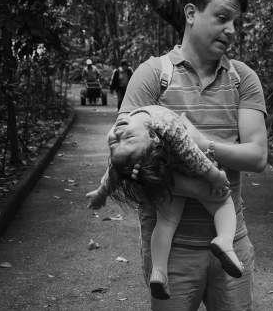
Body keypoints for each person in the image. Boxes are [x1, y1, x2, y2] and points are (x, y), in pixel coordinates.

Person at [86, 0, 268, 311]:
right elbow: (127, 162)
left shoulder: (244, 78)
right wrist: (199, 187)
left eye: (236, 22)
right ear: (190, 13)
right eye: (222, 17)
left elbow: (257, 156)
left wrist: (204, 145)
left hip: (233, 242)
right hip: (171, 252)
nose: (231, 30)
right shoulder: (152, 75)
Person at [97, 105, 243, 300]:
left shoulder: (151, 130)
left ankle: (159, 271)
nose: (118, 134)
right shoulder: (163, 122)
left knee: (165, 223)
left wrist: (101, 193)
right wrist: (216, 177)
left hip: (170, 175)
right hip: (186, 170)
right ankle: (224, 240)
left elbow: (192, 153)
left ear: (153, 138)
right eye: (115, 142)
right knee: (224, 204)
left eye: (122, 139)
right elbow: (192, 153)